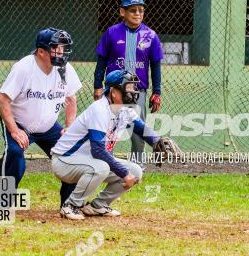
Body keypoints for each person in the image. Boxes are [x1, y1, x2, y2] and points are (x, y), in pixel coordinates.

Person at [52, 70, 172, 220]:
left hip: (87, 161)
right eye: (128, 89)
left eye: (133, 88)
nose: (133, 92)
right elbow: (98, 151)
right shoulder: (99, 110)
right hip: (65, 160)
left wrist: (158, 141)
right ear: (114, 92)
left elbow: (141, 129)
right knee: (103, 167)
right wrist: (123, 173)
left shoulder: (124, 110)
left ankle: (98, 205)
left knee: (135, 170)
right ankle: (70, 206)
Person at [0, 28, 81, 206]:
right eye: (56, 48)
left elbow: (71, 99)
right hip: (20, 123)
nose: (61, 52)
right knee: (15, 153)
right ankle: (2, 201)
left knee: (73, 155)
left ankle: (69, 204)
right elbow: (2, 100)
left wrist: (69, 127)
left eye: (62, 48)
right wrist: (14, 131)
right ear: (41, 51)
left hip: (49, 126)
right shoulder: (24, 68)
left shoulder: (64, 69)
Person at [93, 0, 164, 165]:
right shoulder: (111, 33)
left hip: (137, 92)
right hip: (113, 91)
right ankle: (104, 162)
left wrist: (157, 92)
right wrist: (97, 86)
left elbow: (155, 66)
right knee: (107, 128)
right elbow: (101, 62)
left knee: (137, 133)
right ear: (122, 12)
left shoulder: (151, 35)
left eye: (141, 10)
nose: (138, 14)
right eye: (133, 10)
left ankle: (137, 165)